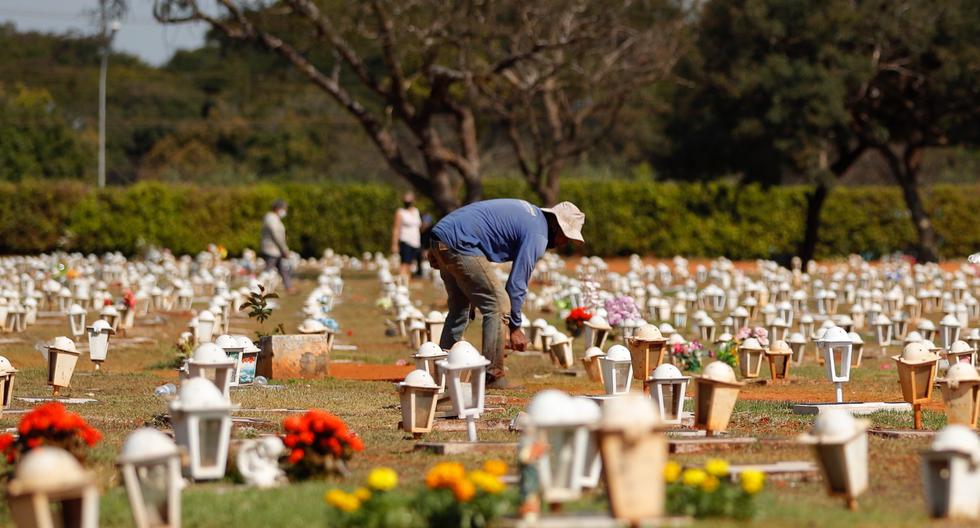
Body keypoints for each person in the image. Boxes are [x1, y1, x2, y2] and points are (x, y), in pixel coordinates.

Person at [430, 199, 585, 389]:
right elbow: (516, 284)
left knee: (460, 309)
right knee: (498, 305)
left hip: (441, 237)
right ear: (557, 226)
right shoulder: (538, 234)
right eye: (566, 237)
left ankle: (442, 375)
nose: (563, 243)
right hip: (460, 243)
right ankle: (493, 375)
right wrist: (515, 328)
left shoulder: (531, 217)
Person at [260, 199, 294, 293]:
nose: (285, 211)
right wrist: (284, 249)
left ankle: (289, 287)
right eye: (284, 209)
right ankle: (259, 290)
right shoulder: (271, 218)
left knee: (282, 269)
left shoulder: (274, 218)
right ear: (278, 208)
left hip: (275, 249)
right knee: (268, 271)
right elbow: (276, 235)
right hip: (271, 250)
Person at [391, 192, 422, 283]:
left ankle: (407, 283)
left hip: (415, 241)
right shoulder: (400, 212)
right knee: (404, 263)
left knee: (410, 263)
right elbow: (396, 228)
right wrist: (394, 244)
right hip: (405, 240)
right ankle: (401, 283)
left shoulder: (416, 211)